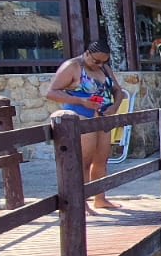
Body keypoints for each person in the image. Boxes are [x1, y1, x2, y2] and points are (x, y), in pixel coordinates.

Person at [44, 40, 126, 211]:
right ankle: (82, 201)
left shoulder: (103, 67)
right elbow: (51, 92)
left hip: (102, 116)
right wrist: (80, 101)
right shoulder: (72, 66)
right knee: (84, 161)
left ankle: (100, 198)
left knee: (101, 159)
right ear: (87, 53)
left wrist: (114, 108)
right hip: (81, 116)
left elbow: (118, 90)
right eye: (96, 61)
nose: (99, 65)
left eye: (104, 62)